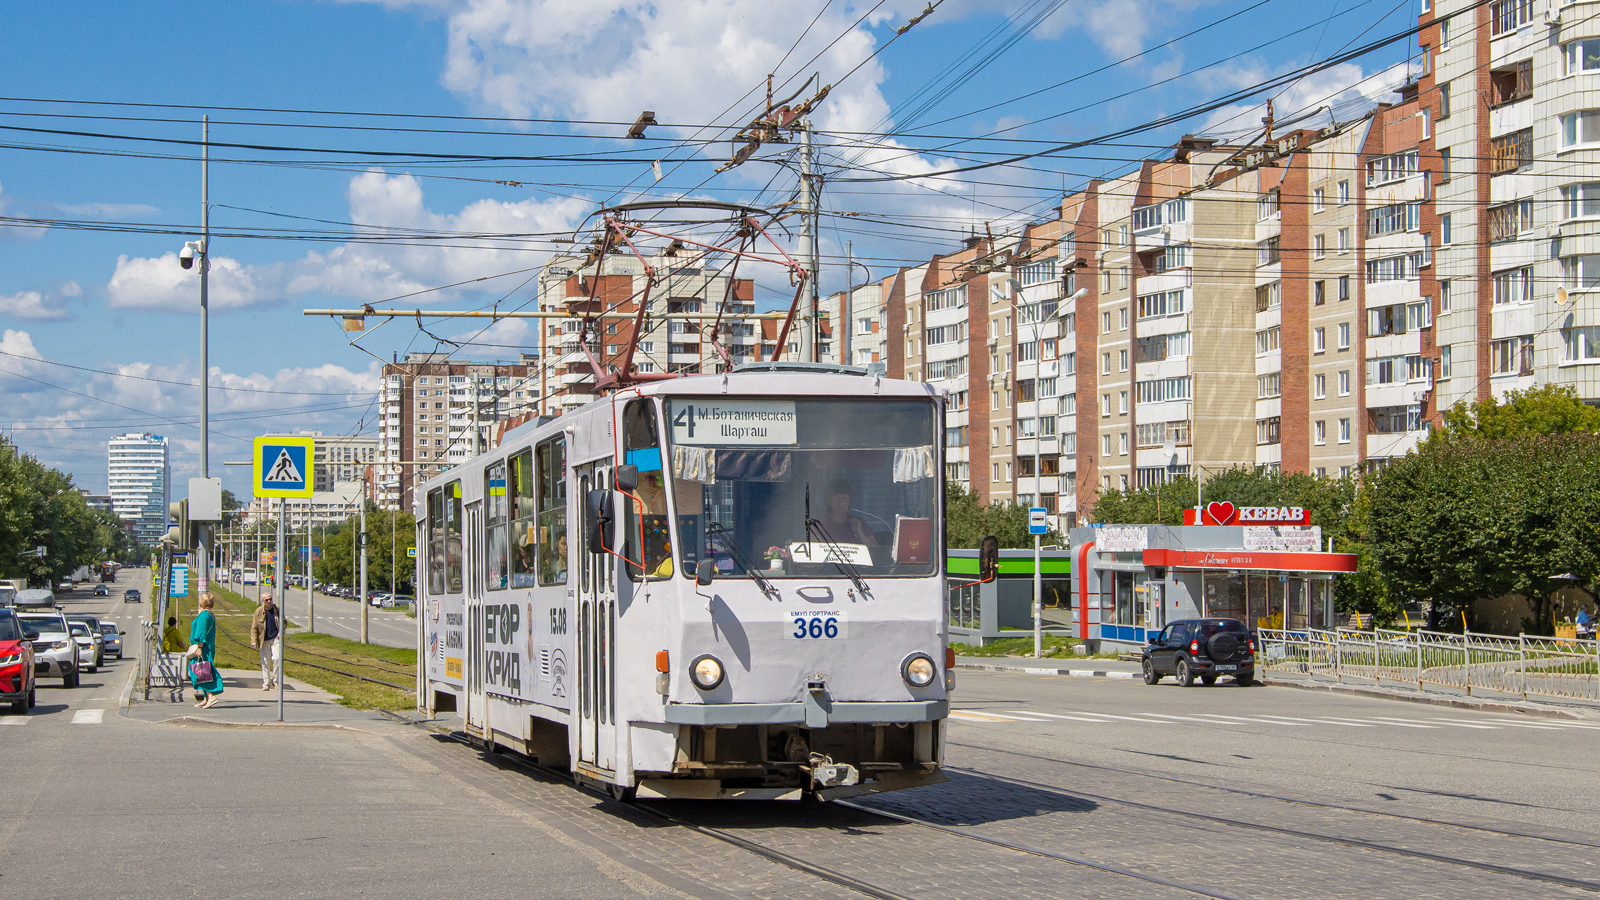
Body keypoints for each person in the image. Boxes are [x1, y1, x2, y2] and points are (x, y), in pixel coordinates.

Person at [188, 592, 225, 708]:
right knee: (204, 669)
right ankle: (206, 698)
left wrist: (199, 647)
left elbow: (202, 632)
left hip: (203, 648)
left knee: (202, 671)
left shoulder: (204, 615)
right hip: (208, 647)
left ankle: (211, 696)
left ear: (201, 602)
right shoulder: (209, 614)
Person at [822, 478, 876, 546]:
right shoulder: (820, 524)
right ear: (828, 501)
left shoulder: (858, 523)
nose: (840, 503)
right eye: (836, 498)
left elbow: (876, 550)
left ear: (849, 500)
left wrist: (859, 532)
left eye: (844, 498)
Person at [251, 590, 281, 692]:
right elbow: (254, 628)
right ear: (263, 601)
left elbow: (284, 622)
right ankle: (266, 683)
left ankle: (276, 681)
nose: (269, 601)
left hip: (275, 638)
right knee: (265, 662)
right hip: (263, 640)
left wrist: (281, 631)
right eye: (266, 600)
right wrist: (254, 641)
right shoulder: (258, 612)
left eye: (270, 599)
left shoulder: (277, 609)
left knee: (277, 658)